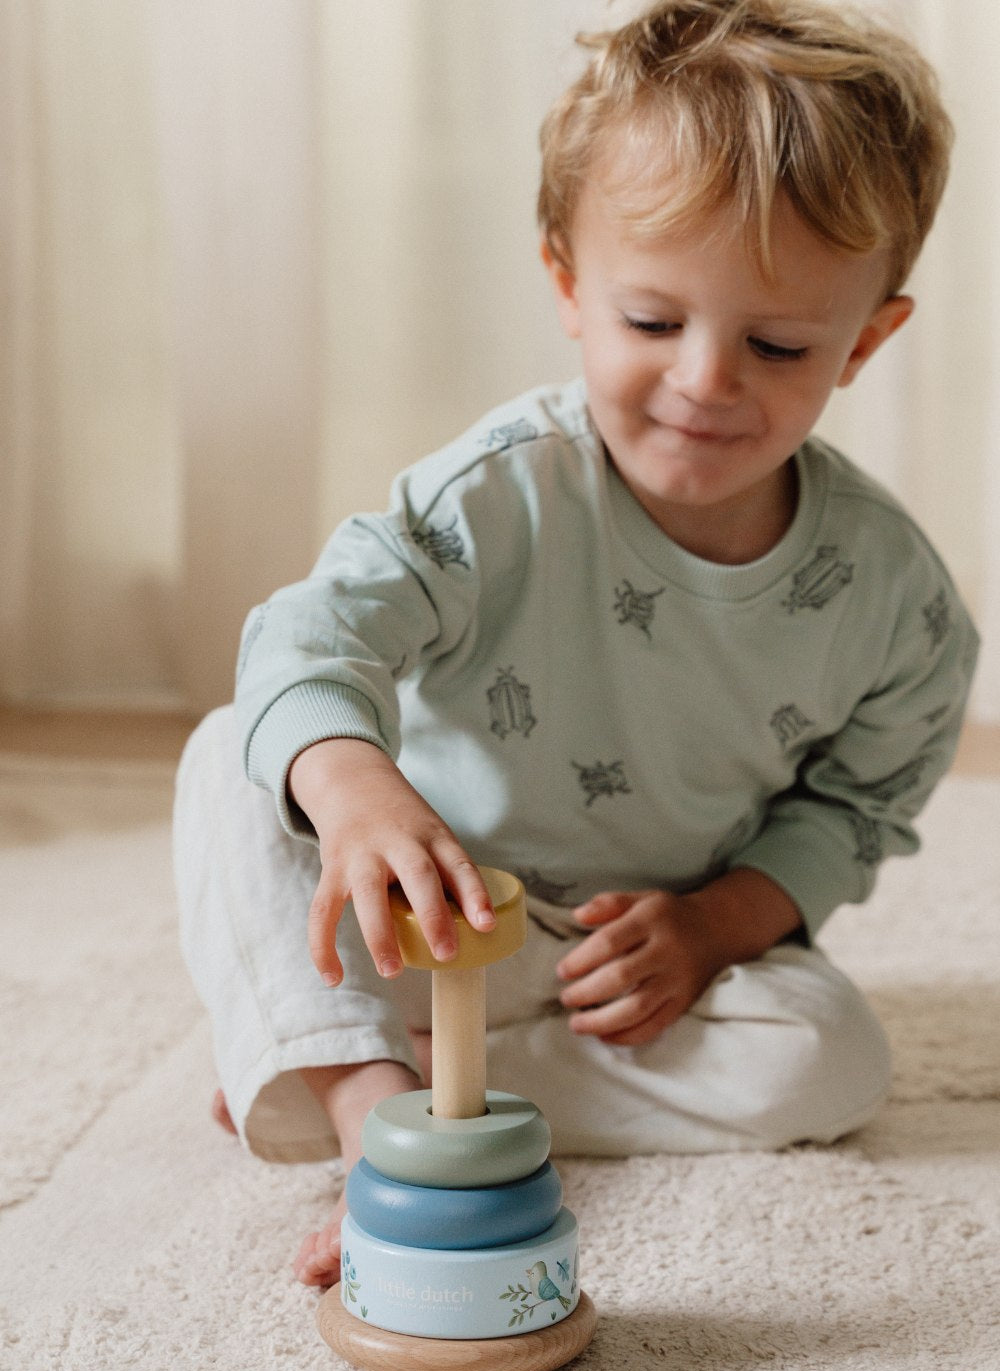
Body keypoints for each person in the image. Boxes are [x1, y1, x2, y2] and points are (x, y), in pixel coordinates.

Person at [173, 0, 979, 1288]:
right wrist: (358, 791)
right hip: (414, 920)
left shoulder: (892, 599)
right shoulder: (499, 493)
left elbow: (858, 808)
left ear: (867, 339)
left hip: (619, 967)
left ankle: (387, 1080)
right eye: (655, 323)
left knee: (832, 1058)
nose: (708, 381)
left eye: (778, 345)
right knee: (235, 757)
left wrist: (716, 925)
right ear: (567, 284)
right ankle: (361, 1102)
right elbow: (312, 632)